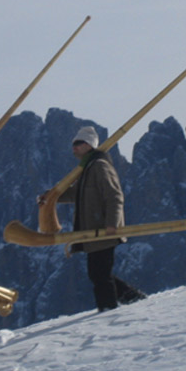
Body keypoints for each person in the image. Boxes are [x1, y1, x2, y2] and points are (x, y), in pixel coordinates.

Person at [42, 126, 145, 312]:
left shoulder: (100, 166)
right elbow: (78, 194)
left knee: (99, 273)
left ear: (89, 144)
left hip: (103, 229)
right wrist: (51, 197)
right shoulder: (88, 168)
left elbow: (114, 195)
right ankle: (131, 297)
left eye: (78, 144)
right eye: (73, 144)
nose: (74, 148)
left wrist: (112, 224)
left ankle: (108, 307)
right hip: (94, 231)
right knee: (98, 273)